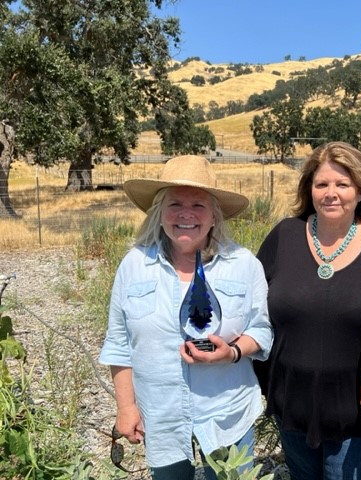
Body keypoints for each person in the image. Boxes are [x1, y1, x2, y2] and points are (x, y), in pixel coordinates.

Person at [99, 155, 273, 480]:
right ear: (160, 213)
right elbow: (119, 343)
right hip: (161, 416)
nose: (186, 214)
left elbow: (262, 330)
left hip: (227, 414)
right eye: (175, 203)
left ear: (214, 216)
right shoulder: (134, 265)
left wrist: (232, 351)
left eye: (198, 205)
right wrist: (126, 408)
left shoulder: (243, 263)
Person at [255, 141, 361, 480]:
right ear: (309, 189)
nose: (331, 193)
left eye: (343, 184)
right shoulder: (285, 235)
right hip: (291, 409)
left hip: (359, 418)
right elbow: (250, 304)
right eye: (321, 184)